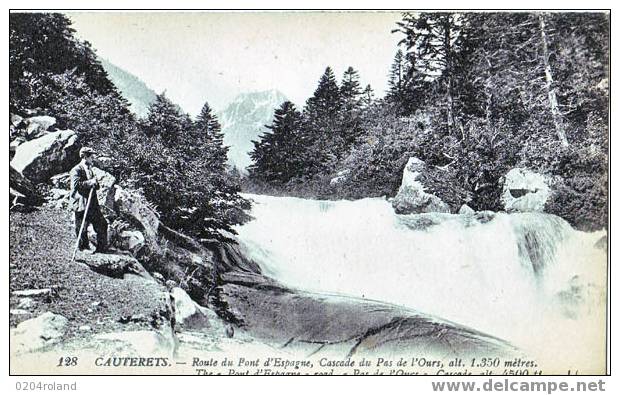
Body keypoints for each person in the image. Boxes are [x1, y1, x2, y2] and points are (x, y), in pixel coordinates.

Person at [70, 147, 108, 253]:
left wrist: (94, 183)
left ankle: (102, 248)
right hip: (81, 202)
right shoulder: (76, 170)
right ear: (85, 156)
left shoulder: (90, 169)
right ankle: (83, 247)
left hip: (92, 203)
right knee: (82, 226)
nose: (93, 158)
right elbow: (76, 185)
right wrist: (90, 183)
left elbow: (96, 186)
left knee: (102, 224)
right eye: (91, 156)